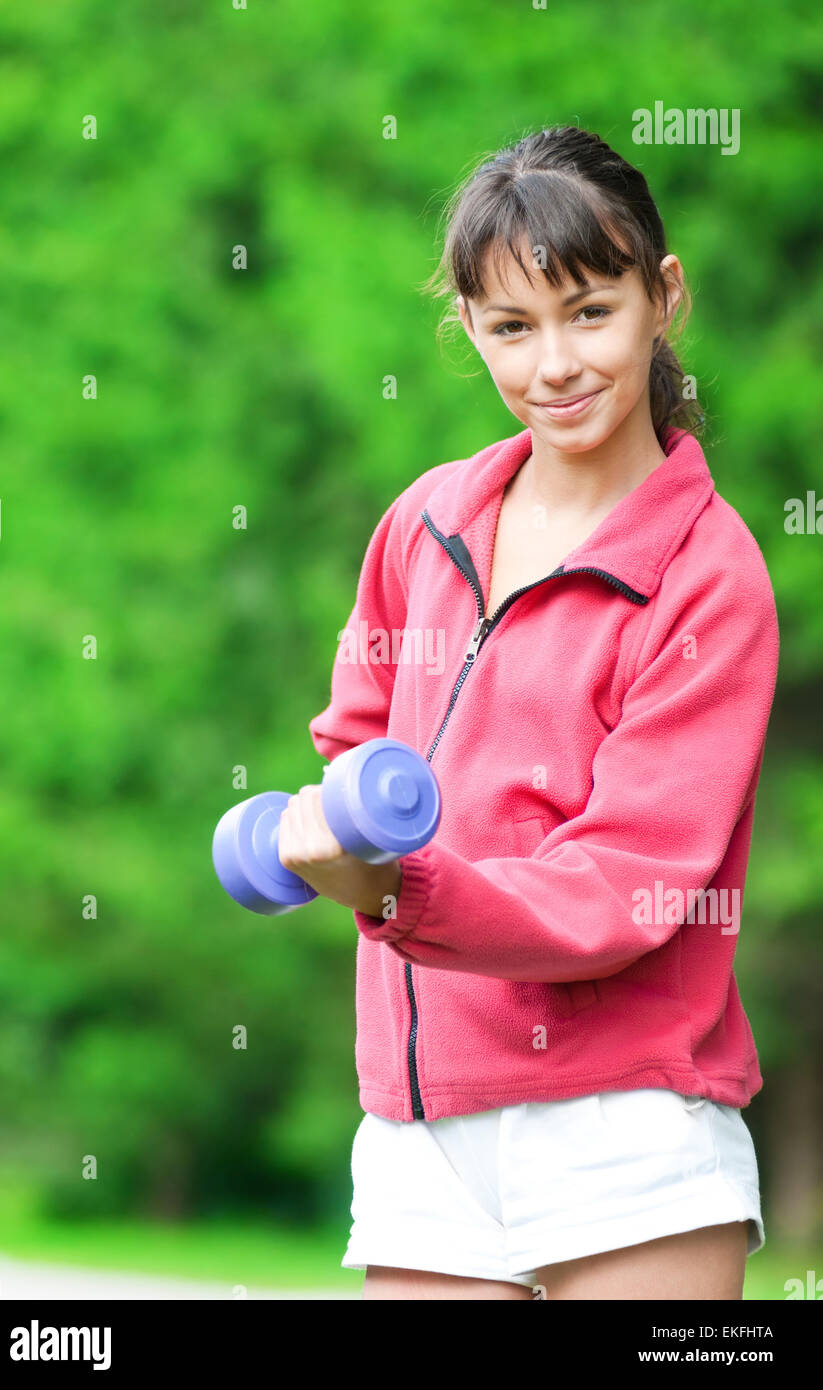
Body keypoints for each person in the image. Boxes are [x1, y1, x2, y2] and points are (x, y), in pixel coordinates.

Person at [281, 125, 779, 1300]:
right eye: (510, 327)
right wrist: (331, 831)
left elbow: (621, 885)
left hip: (627, 1127)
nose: (553, 365)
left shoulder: (707, 577)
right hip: (421, 1122)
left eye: (588, 313)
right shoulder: (426, 521)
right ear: (466, 326)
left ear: (662, 297)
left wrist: (396, 891)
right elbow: (359, 741)